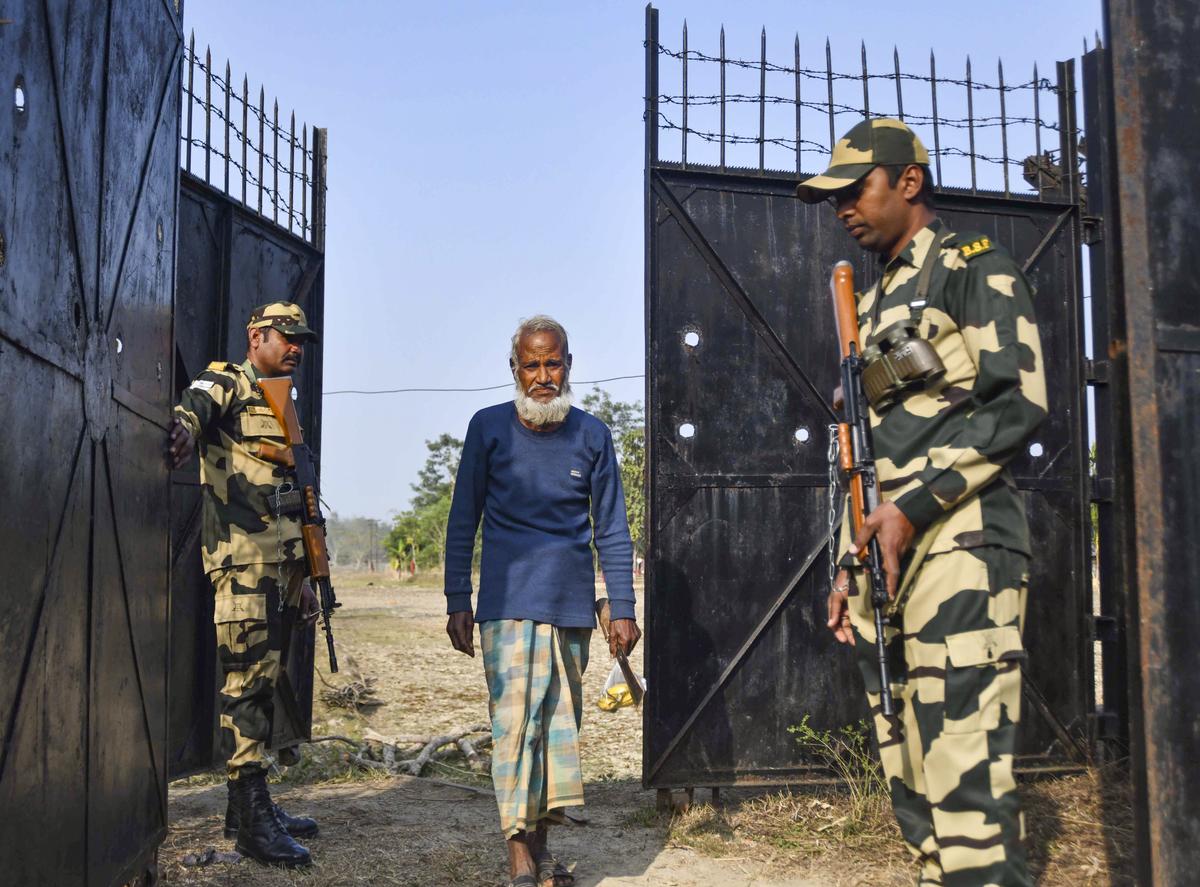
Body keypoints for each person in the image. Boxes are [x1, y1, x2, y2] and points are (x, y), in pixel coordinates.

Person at [796, 119, 1048, 887]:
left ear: (908, 181)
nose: (842, 206)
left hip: (961, 542)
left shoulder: (971, 267)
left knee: (964, 767)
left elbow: (1020, 402)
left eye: (855, 188)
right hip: (887, 558)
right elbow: (866, 458)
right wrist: (848, 562)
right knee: (908, 766)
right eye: (834, 195)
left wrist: (916, 506)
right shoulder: (872, 306)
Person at [444, 315, 641, 887]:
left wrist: (623, 606)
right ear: (514, 370)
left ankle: (543, 845)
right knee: (514, 727)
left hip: (571, 608)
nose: (542, 375)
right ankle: (517, 853)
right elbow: (463, 520)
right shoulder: (488, 429)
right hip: (505, 605)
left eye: (552, 363)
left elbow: (612, 529)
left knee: (557, 732)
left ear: (568, 366)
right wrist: (459, 596)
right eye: (530, 364)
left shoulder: (593, 435)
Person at [166, 301, 322, 868]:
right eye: (287, 337)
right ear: (256, 336)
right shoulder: (229, 380)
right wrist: (181, 432)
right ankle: (253, 824)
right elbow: (192, 408)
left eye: (301, 339)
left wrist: (304, 574)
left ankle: (248, 809)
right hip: (243, 562)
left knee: (265, 680)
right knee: (246, 685)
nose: (297, 347)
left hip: (280, 568)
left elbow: (293, 496)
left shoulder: (285, 404)